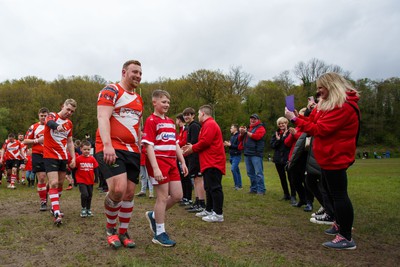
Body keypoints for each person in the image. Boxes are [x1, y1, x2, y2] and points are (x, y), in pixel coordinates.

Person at [285, 72, 360, 250]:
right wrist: (298, 116)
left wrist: (295, 120)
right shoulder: (331, 105)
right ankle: (338, 224)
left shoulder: (344, 106)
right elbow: (313, 120)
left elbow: (320, 129)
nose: (318, 91)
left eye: (321, 87)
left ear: (332, 86)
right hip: (327, 156)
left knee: (339, 195)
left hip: (336, 156)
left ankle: (346, 236)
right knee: (328, 191)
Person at [96, 60, 143, 249]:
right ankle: (110, 229)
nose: (138, 76)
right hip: (111, 147)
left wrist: (141, 148)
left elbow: (137, 127)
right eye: (135, 72)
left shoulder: (139, 99)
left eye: (140, 73)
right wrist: (107, 144)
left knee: (129, 193)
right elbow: (102, 117)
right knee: (117, 190)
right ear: (124, 72)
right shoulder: (111, 90)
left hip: (133, 150)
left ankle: (123, 231)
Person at [143, 90, 188, 247]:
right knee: (162, 197)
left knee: (177, 195)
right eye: (163, 102)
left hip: (172, 163)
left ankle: (154, 215)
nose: (167, 105)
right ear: (154, 102)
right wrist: (155, 168)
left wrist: (182, 161)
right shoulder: (151, 121)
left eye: (168, 102)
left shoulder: (170, 122)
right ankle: (159, 233)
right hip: (159, 162)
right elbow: (148, 145)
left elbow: (175, 144)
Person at [182, 105, 226, 223]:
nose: (198, 116)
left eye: (198, 113)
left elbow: (205, 142)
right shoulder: (206, 125)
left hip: (214, 161)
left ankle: (218, 213)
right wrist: (192, 147)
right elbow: (204, 142)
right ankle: (209, 209)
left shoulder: (210, 124)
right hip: (208, 161)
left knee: (215, 187)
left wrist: (192, 148)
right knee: (208, 187)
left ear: (202, 114)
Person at [44, 99, 77, 225]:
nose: (69, 112)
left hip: (63, 157)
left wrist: (73, 157)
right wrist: (58, 126)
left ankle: (54, 206)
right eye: (68, 109)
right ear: (62, 106)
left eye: (72, 111)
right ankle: (57, 212)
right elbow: (50, 123)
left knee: (60, 184)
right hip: (50, 155)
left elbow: (70, 141)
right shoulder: (52, 115)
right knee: (53, 182)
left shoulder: (69, 123)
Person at [24, 107, 49, 211]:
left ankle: (46, 192)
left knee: (53, 180)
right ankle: (43, 201)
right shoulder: (34, 127)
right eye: (41, 116)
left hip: (50, 154)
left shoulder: (52, 126)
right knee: (42, 177)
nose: (43, 117)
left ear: (49, 116)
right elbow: (25, 141)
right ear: (38, 116)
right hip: (38, 154)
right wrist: (37, 140)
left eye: (45, 115)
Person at [183, 107, 206, 213]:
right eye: (185, 115)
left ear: (193, 115)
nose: (186, 117)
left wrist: (187, 150)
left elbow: (195, 143)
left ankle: (201, 203)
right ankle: (197, 202)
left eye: (189, 114)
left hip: (196, 157)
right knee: (195, 179)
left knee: (198, 179)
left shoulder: (195, 126)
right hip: (192, 157)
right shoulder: (189, 126)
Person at [238, 114, 267, 195]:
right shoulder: (249, 128)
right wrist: (241, 133)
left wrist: (246, 132)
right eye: (251, 119)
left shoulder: (261, 128)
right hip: (247, 153)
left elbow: (257, 137)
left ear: (258, 120)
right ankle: (254, 188)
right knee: (250, 173)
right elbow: (240, 139)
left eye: (254, 119)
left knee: (258, 173)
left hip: (256, 153)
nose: (252, 120)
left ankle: (261, 190)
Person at [270, 117, 294, 201]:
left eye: (283, 123)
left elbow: (289, 145)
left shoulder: (291, 132)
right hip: (278, 159)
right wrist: (278, 140)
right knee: (282, 177)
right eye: (279, 124)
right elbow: (273, 145)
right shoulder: (276, 134)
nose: (281, 125)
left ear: (286, 123)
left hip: (288, 158)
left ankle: (293, 195)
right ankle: (286, 194)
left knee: (291, 178)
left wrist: (283, 138)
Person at [74, 140, 99, 217]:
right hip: (81, 180)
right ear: (81, 149)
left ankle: (88, 209)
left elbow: (96, 169)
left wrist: (96, 178)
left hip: (90, 181)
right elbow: (74, 169)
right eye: (85, 149)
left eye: (88, 149)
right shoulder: (78, 159)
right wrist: (75, 180)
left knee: (90, 195)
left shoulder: (92, 159)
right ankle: (83, 208)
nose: (86, 151)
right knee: (85, 194)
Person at [175, 113, 192, 206]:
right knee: (182, 177)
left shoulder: (185, 129)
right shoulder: (181, 130)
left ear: (179, 120)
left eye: (177, 120)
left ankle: (188, 197)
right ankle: (184, 196)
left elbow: (183, 141)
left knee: (186, 177)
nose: (176, 122)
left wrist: (176, 143)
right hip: (180, 155)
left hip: (185, 156)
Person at [224, 124, 243, 190]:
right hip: (232, 155)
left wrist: (230, 145)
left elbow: (239, 147)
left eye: (231, 128)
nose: (230, 129)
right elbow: (231, 146)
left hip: (236, 155)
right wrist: (227, 145)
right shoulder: (232, 137)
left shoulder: (239, 136)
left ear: (235, 128)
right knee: (237, 170)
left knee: (233, 169)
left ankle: (237, 185)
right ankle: (239, 185)